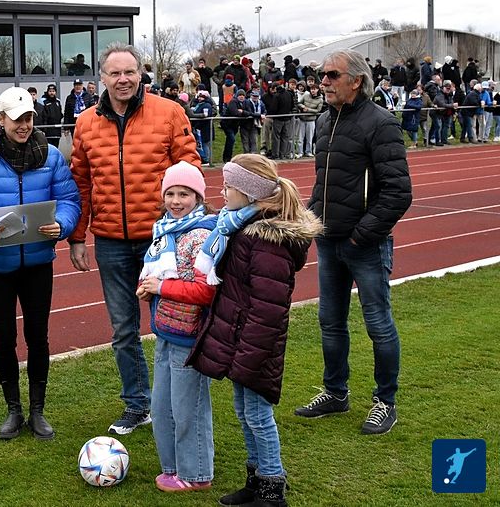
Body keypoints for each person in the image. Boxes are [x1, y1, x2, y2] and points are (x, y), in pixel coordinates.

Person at [69, 41, 200, 435]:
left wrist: (188, 228)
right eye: (115, 73)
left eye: (129, 72)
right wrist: (77, 236)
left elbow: (190, 171)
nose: (123, 79)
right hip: (111, 242)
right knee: (123, 330)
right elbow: (81, 183)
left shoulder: (169, 112)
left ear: (141, 73)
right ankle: (137, 404)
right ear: (102, 78)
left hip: (162, 239)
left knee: (173, 326)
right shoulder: (86, 122)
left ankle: (174, 402)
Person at [188, 153, 321, 507]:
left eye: (228, 185)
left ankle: (272, 489)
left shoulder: (266, 241)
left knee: (259, 417)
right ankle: (256, 480)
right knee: (245, 412)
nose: (222, 191)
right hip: (242, 342)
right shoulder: (240, 226)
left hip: (255, 347)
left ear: (249, 192)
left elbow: (268, 310)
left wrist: (249, 356)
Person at [296, 49, 412, 436]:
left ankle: (385, 402)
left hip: (365, 245)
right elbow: (324, 185)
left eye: (332, 75)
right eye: (322, 75)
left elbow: (398, 192)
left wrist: (362, 235)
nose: (323, 82)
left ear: (356, 81)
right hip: (329, 242)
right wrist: (308, 220)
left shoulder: (381, 123)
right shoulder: (324, 121)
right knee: (330, 322)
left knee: (378, 324)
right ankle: (335, 393)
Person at [0, 86, 81, 441]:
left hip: (39, 262)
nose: (24, 126)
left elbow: (69, 200)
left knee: (38, 337)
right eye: (17, 120)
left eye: (28, 118)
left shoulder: (52, 157)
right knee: (4, 338)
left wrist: (63, 224)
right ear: (0, 120)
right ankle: (13, 409)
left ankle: (38, 410)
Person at [135, 161, 217, 493]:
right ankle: (172, 467)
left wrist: (161, 288)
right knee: (162, 406)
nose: (176, 201)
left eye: (184, 194)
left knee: (188, 408)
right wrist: (147, 288)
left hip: (189, 335)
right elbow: (156, 272)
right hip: (166, 330)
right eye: (170, 193)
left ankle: (197, 474)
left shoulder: (201, 235)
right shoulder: (165, 229)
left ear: (198, 197)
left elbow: (205, 290)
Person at [298, 83, 323, 157]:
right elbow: (299, 103)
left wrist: (308, 109)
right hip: (302, 119)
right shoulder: (306, 96)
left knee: (309, 137)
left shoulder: (320, 100)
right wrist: (303, 107)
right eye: (311, 89)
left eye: (314, 89)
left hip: (311, 120)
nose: (313, 91)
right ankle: (300, 152)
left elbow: (318, 110)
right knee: (300, 137)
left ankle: (308, 151)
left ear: (317, 90)